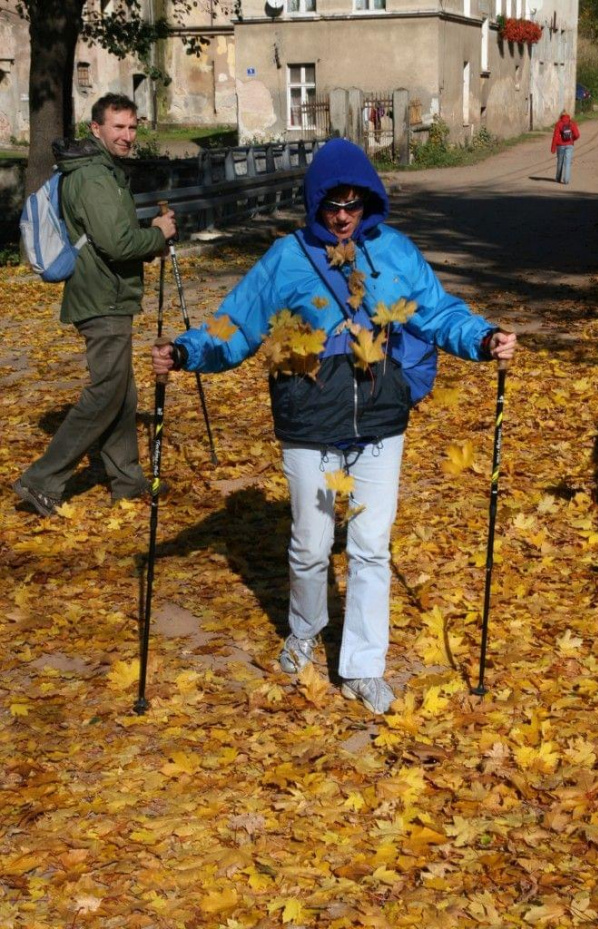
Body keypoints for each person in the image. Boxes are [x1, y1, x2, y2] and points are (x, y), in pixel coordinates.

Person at [151, 138, 517, 714]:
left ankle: (364, 666)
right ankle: (305, 628)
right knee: (311, 547)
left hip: (378, 420)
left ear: (369, 200)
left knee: (371, 548)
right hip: (310, 420)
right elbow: (234, 325)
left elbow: (440, 313)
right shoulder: (286, 258)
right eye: (332, 204)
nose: (343, 215)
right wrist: (187, 351)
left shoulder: (393, 252)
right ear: (314, 202)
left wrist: (484, 337)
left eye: (354, 203)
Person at [14, 93, 176, 517]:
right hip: (100, 297)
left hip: (105, 294)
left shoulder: (100, 170)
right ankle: (42, 481)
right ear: (96, 129)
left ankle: (127, 480)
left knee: (121, 394)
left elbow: (113, 234)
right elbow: (118, 242)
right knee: (106, 393)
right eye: (118, 127)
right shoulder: (93, 176)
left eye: (132, 127)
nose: (127, 136)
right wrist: (157, 234)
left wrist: (150, 236)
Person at [551, 109, 580, 184]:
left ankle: (558, 178)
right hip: (569, 145)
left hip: (560, 146)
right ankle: (566, 180)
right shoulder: (572, 123)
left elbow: (556, 137)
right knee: (567, 163)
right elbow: (577, 135)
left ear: (561, 116)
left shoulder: (558, 124)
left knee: (560, 162)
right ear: (568, 115)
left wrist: (553, 148)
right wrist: (572, 139)